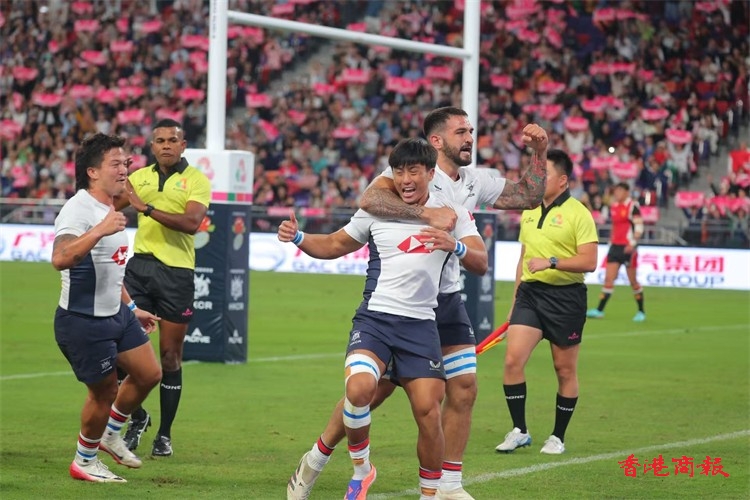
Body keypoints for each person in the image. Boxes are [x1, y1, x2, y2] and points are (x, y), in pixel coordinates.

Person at [287, 107, 548, 500]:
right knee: (371, 392)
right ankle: (317, 457)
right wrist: (426, 213)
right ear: (436, 141)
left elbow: (529, 195)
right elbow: (370, 199)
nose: (470, 137)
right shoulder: (408, 173)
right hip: (399, 303)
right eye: (461, 131)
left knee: (463, 388)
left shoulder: (474, 181)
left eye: (471, 130)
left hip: (445, 300)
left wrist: (540, 152)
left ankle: (449, 485)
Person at [280, 138, 488, 500]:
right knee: (359, 390)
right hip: (375, 321)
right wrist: (297, 236)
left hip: (421, 326)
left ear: (430, 173)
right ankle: (361, 471)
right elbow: (334, 244)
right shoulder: (378, 209)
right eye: (399, 172)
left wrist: (454, 245)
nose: (405, 179)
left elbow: (481, 262)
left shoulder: (453, 213)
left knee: (428, 413)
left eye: (413, 171)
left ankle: (432, 493)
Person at [51, 133, 162, 482]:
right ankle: (84, 461)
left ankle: (111, 434)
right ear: (92, 172)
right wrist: (99, 230)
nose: (124, 169)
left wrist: (132, 307)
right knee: (104, 393)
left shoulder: (109, 207)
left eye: (125, 163)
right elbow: (60, 258)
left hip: (117, 313)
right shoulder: (79, 210)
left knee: (149, 374)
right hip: (84, 320)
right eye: (115, 164)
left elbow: (110, 268)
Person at [115, 119, 211, 457]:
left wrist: (147, 209)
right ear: (152, 146)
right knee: (119, 349)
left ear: (183, 145)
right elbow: (107, 204)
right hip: (139, 268)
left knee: (170, 356)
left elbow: (192, 223)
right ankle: (138, 417)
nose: (166, 145)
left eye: (172, 140)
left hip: (177, 273)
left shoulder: (196, 180)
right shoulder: (138, 177)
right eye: (160, 140)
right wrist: (114, 176)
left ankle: (164, 436)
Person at [494, 149, 598, 455]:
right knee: (512, 361)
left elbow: (590, 261)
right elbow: (524, 257)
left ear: (563, 180)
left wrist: (552, 262)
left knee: (564, 370)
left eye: (545, 174)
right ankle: (520, 430)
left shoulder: (579, 213)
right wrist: (514, 302)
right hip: (530, 295)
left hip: (566, 298)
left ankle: (557, 437)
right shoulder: (529, 209)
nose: (537, 179)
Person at [586, 182, 646, 322]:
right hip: (615, 247)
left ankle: (641, 311)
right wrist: (611, 240)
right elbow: (615, 225)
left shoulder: (632, 206)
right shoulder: (614, 206)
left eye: (620, 191)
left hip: (628, 247)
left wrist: (632, 243)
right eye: (616, 191)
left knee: (633, 281)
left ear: (626, 192)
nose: (617, 193)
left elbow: (639, 227)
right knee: (608, 279)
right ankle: (599, 310)